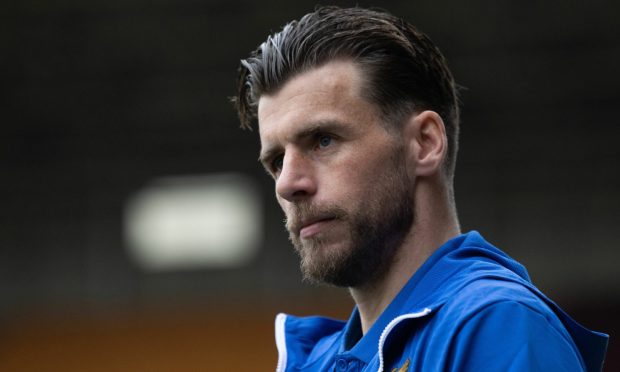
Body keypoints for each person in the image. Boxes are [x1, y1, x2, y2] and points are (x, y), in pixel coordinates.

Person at [233, 6, 608, 372]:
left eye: (324, 140)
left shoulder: (493, 325)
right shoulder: (316, 360)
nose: (288, 184)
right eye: (277, 160)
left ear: (424, 144)